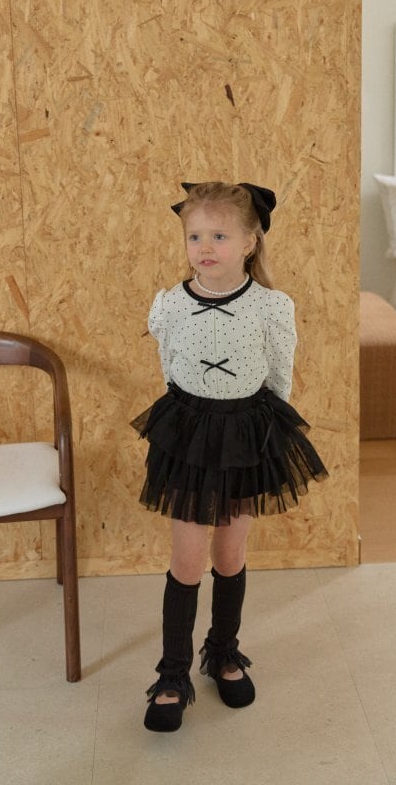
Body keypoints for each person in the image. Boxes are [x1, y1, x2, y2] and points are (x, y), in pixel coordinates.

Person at [131, 181, 328, 733]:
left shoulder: (271, 306)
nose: (205, 247)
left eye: (219, 236)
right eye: (195, 236)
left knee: (230, 553)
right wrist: (189, 422)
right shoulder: (170, 304)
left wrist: (266, 439)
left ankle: (222, 652)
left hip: (246, 437)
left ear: (249, 241)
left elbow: (280, 377)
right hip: (191, 438)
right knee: (187, 559)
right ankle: (172, 674)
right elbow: (169, 367)